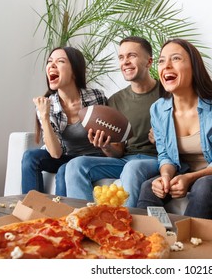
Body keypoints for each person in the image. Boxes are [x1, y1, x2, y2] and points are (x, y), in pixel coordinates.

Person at [136, 39, 212, 219]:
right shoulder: (158, 109)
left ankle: (186, 241)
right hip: (182, 171)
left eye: (176, 58)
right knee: (149, 187)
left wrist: (191, 178)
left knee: (203, 186)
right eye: (162, 61)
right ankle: (156, 236)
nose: (166, 66)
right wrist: (165, 177)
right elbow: (165, 156)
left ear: (194, 67)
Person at [64, 36, 160, 207]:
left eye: (132, 56)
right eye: (121, 57)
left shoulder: (167, 94)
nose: (125, 62)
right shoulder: (116, 100)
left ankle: (122, 228)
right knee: (75, 165)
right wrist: (106, 146)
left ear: (149, 62)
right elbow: (118, 152)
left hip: (156, 161)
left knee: (133, 168)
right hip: (125, 160)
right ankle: (85, 222)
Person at [22, 46, 108, 194]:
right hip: (65, 156)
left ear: (74, 71)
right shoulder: (48, 106)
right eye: (49, 61)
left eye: (60, 61)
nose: (52, 65)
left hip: (93, 157)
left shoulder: (96, 97)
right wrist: (44, 116)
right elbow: (55, 154)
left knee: (64, 170)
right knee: (30, 156)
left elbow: (111, 136)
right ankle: (32, 209)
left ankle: (64, 216)